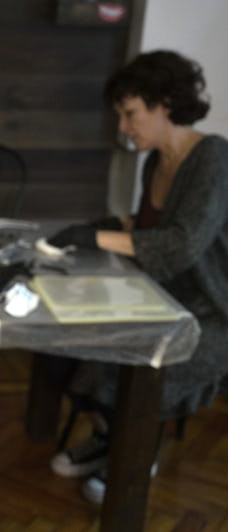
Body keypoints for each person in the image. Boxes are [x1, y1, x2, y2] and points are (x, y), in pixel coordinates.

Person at [46, 50, 228, 503]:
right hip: (159, 294)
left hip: (209, 313)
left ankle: (132, 453)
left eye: (130, 114)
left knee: (125, 360)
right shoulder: (154, 162)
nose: (124, 128)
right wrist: (106, 227)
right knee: (74, 340)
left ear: (165, 101)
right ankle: (113, 437)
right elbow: (150, 227)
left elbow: (181, 244)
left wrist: (98, 240)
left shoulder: (213, 159)